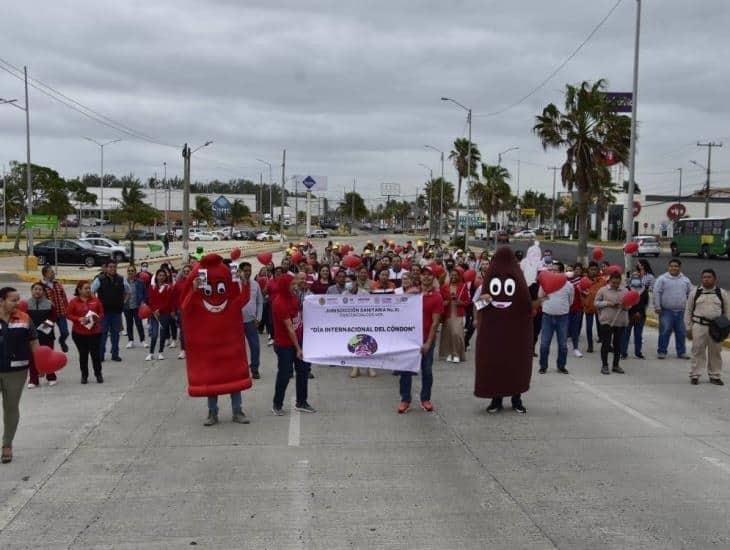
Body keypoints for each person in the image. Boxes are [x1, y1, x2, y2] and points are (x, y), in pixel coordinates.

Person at [474, 247, 533, 414]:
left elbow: (526, 306)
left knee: (515, 366)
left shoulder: (519, 281)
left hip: (514, 334)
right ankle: (496, 399)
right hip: (494, 334)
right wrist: (482, 300)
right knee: (495, 366)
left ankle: (516, 399)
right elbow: (478, 307)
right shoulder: (487, 283)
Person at [0, 287, 40, 464]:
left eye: (18, 299)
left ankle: (7, 445)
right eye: (13, 300)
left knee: (11, 408)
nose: (18, 303)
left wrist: (40, 364)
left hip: (17, 371)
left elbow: (34, 342)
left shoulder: (24, 318)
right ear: (2, 301)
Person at [398, 266, 444, 413]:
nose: (426, 277)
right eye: (423, 275)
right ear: (419, 277)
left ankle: (425, 399)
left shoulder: (437, 297)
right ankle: (405, 400)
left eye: (429, 275)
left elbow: (435, 322)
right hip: (409, 339)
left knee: (427, 371)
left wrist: (428, 343)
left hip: (426, 339)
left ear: (433, 278)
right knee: (406, 371)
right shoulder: (412, 293)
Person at [271, 273, 315, 415]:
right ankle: (277, 405)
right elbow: (290, 328)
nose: (294, 286)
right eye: (291, 284)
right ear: (285, 286)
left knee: (303, 371)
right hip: (285, 345)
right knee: (284, 374)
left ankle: (301, 402)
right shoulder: (279, 303)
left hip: (299, 341)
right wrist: (298, 348)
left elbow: (299, 317)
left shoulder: (294, 297)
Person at [685, 269, 728, 385]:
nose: (706, 279)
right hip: (699, 326)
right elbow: (688, 311)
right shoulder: (695, 293)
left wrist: (726, 328)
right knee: (697, 350)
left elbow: (727, 312)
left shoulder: (721, 293)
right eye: (704, 277)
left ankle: (715, 375)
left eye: (709, 277)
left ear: (715, 279)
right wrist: (688, 328)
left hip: (716, 327)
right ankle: (695, 374)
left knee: (715, 352)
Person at [537, 262, 573, 374]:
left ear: (562, 272)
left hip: (562, 318)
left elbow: (570, 301)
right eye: (551, 270)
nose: (552, 272)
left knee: (562, 345)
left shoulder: (569, 285)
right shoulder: (544, 283)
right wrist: (548, 307)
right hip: (547, 317)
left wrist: (560, 308)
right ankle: (543, 366)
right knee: (544, 344)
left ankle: (561, 366)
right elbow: (540, 297)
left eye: (555, 270)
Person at [66, 281, 104, 384]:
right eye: (85, 288)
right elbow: (68, 314)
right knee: (83, 355)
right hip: (79, 333)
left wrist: (96, 318)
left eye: (89, 288)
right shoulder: (74, 302)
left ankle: (98, 374)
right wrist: (78, 319)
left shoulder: (95, 300)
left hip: (95, 332)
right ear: (79, 290)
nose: (88, 290)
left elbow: (101, 313)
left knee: (95, 355)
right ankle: (84, 375)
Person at [654, 259, 692, 359]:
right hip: (666, 311)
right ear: (668, 267)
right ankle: (662, 351)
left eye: (676, 266)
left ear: (680, 267)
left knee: (681, 332)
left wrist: (690, 309)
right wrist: (657, 306)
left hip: (681, 312)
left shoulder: (685, 280)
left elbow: (691, 294)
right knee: (664, 331)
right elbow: (656, 293)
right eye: (671, 266)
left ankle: (681, 352)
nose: (673, 268)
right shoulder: (662, 279)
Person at [92, 261, 129, 362]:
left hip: (116, 312)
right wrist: (96, 305)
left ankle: (115, 354)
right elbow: (91, 292)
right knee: (102, 335)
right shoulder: (99, 279)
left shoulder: (121, 279)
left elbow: (128, 292)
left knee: (115, 335)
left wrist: (123, 302)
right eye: (110, 267)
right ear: (106, 268)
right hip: (103, 313)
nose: (112, 269)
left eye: (114, 267)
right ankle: (100, 355)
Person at [595, 272, 629, 375]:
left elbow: (630, 305)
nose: (615, 285)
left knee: (618, 344)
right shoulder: (603, 290)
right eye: (613, 282)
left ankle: (616, 365)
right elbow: (596, 303)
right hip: (607, 321)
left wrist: (624, 306)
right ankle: (605, 365)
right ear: (609, 281)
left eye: (617, 283)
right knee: (606, 343)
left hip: (620, 321)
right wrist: (607, 303)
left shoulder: (625, 291)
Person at [26, 282, 58, 388]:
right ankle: (33, 380)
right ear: (31, 291)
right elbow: (23, 318)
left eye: (40, 289)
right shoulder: (26, 304)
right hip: (31, 336)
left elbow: (54, 317)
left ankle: (51, 377)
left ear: (43, 292)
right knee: (32, 357)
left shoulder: (50, 304)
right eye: (35, 289)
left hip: (47, 335)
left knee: (48, 356)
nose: (37, 291)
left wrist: (43, 329)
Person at [439, 269, 468, 363]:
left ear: (459, 276)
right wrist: (445, 302)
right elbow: (440, 301)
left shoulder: (463, 286)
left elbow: (468, 302)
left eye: (456, 275)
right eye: (452, 275)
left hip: (459, 314)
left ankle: (457, 354)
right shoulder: (444, 287)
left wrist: (460, 302)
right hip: (447, 314)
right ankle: (449, 353)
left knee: (456, 334)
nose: (454, 277)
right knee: (448, 335)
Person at [240, 262, 263, 380]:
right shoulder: (234, 284)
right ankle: (239, 370)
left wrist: (258, 318)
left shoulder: (255, 285)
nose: (247, 272)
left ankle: (255, 369)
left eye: (249, 270)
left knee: (255, 347)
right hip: (237, 322)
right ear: (240, 271)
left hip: (251, 322)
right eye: (245, 270)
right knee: (239, 348)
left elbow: (260, 302)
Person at [145, 269, 174, 361]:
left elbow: (168, 301)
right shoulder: (152, 287)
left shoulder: (168, 287)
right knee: (154, 334)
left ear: (166, 277)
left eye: (163, 276)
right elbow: (150, 300)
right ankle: (151, 353)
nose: (161, 277)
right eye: (159, 275)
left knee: (162, 334)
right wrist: (154, 310)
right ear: (156, 276)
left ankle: (160, 352)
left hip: (164, 313)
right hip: (154, 314)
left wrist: (159, 310)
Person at [41, 265, 69, 353]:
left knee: (65, 332)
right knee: (46, 333)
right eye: (51, 272)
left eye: (53, 272)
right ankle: (47, 350)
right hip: (49, 315)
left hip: (61, 313)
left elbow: (64, 297)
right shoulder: (41, 286)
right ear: (45, 274)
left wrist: (66, 308)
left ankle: (62, 341)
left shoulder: (57, 284)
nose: (53, 273)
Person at [621, 272, 648, 359]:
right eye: (634, 276)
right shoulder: (627, 289)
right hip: (628, 315)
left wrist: (640, 313)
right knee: (625, 335)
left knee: (638, 335)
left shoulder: (644, 290)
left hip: (640, 316)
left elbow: (645, 303)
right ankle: (623, 352)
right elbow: (624, 302)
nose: (636, 278)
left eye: (638, 277)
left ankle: (638, 352)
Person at [582, 262, 605, 353]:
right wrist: (585, 303)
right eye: (591, 269)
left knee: (601, 327)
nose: (593, 271)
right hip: (588, 308)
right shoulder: (584, 280)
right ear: (588, 270)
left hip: (599, 308)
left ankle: (604, 343)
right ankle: (590, 345)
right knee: (588, 327)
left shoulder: (602, 281)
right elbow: (581, 294)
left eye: (595, 269)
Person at [123, 265, 146, 349]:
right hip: (127, 307)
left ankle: (142, 340)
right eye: (129, 271)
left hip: (137, 306)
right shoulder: (124, 282)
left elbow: (144, 293)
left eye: (132, 271)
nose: (130, 272)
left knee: (139, 324)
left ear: (135, 272)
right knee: (129, 324)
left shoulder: (140, 282)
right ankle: (130, 341)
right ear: (127, 272)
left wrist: (143, 302)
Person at [567, 264, 584, 357]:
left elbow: (586, 293)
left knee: (575, 329)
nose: (577, 271)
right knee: (566, 328)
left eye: (579, 269)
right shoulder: (567, 281)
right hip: (567, 308)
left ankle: (576, 348)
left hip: (577, 308)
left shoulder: (582, 281)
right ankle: (564, 347)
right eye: (575, 269)